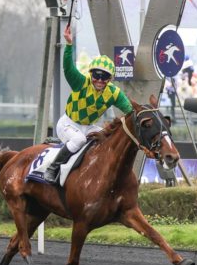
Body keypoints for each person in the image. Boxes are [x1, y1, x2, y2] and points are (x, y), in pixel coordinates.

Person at [44, 25, 133, 183]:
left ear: (110, 79)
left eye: (104, 76)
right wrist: (69, 44)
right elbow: (68, 68)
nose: (99, 80)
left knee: (109, 139)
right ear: (91, 74)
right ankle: (53, 167)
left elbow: (130, 110)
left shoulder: (114, 93)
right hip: (68, 123)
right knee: (79, 140)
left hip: (89, 127)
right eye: (96, 75)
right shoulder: (81, 82)